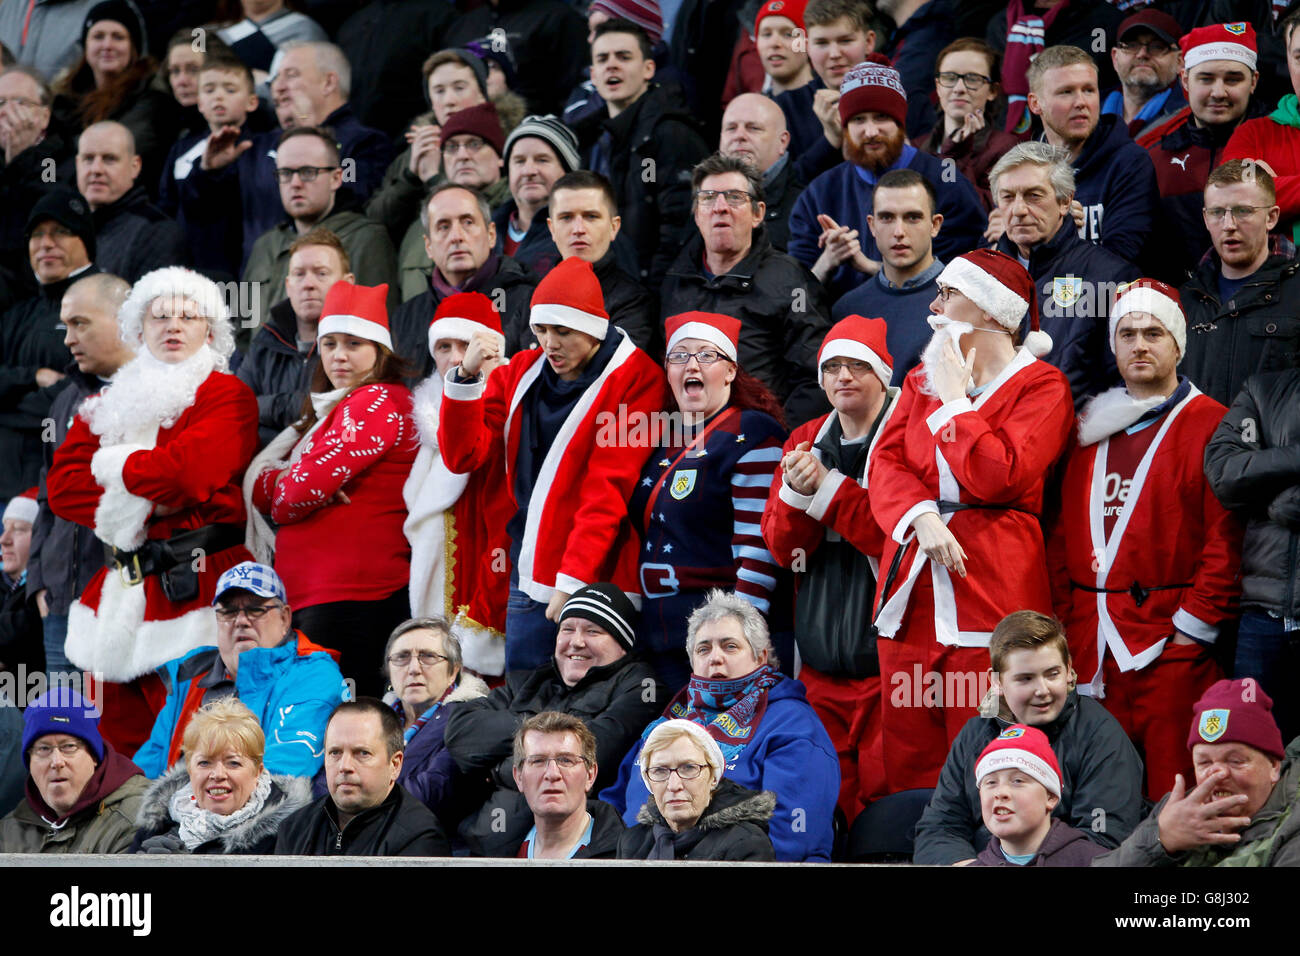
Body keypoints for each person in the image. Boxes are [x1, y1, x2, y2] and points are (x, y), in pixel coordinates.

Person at [868, 249, 1074, 794]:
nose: (934, 305)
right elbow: (885, 463)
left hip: (992, 585)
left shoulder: (1044, 386)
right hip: (913, 585)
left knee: (988, 753)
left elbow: (999, 476)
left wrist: (957, 402)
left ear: (989, 311)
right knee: (909, 752)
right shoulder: (920, 379)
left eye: (948, 294)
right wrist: (921, 518)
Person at [46, 266, 259, 755]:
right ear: (139, 329)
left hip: (198, 582)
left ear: (210, 330)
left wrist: (111, 465)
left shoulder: (228, 395)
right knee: (117, 750)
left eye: (189, 315)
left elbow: (190, 474)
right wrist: (153, 486)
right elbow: (62, 488)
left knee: (198, 743)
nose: (173, 326)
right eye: (159, 315)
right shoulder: (106, 402)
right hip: (119, 590)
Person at [1048, 279, 1243, 800]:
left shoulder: (1211, 422)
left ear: (1178, 344)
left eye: (1153, 333)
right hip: (1093, 649)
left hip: (1169, 645)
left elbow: (1225, 539)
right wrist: (1068, 621)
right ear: (1112, 347)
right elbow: (1061, 536)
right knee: (1099, 798)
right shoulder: (1088, 426)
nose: (1139, 344)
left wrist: (1191, 632)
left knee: (1173, 795)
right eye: (1127, 333)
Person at [437, 258, 662, 669]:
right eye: (541, 330)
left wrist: (571, 585)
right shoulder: (522, 370)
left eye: (563, 331)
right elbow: (462, 456)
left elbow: (607, 489)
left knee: (583, 708)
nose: (549, 343)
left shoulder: (638, 378)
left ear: (593, 329)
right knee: (525, 702)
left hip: (599, 574)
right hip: (527, 562)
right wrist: (466, 378)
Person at [762, 315, 900, 819]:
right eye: (833, 366)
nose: (843, 376)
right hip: (820, 664)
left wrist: (827, 490)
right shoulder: (804, 436)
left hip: (889, 666)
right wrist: (798, 495)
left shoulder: (905, 431)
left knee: (884, 803)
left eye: (857, 366)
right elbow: (781, 547)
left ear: (883, 374)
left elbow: (896, 539)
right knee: (824, 799)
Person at [250, 281, 417, 698]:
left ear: (380, 350)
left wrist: (296, 483)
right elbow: (279, 488)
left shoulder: (375, 400)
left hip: (352, 600)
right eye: (329, 343)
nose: (338, 355)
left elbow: (290, 498)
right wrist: (299, 484)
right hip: (327, 599)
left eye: (353, 344)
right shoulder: (335, 407)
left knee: (344, 726)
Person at [602, 589, 838, 862]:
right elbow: (615, 807)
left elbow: (792, 838)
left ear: (760, 657)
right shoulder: (665, 725)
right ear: (692, 661)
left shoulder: (791, 723)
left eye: (730, 646)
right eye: (703, 648)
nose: (715, 657)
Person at [443, 584, 663, 856]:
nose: (577, 641)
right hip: (482, 845)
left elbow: (597, 754)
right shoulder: (532, 680)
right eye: (568, 629)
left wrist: (497, 768)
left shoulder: (643, 686)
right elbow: (460, 733)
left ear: (621, 644)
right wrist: (535, 743)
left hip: (580, 849)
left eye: (593, 631)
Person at [913, 611, 1144, 866]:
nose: (1042, 690)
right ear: (997, 681)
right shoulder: (974, 735)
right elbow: (939, 828)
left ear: (1068, 670)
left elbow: (1104, 843)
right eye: (1026, 679)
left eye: (1052, 674)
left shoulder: (1101, 736)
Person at [631, 311, 788, 687]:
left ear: (731, 371)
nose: (692, 365)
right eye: (680, 356)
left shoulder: (752, 432)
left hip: (714, 641)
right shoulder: (666, 435)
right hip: (657, 632)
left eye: (706, 355)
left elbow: (758, 546)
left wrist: (744, 638)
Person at [787, 55, 985, 303]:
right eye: (858, 120)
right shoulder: (819, 194)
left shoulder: (946, 182)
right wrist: (827, 261)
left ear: (901, 123)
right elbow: (795, 296)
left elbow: (967, 277)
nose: (870, 132)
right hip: (842, 332)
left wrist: (871, 267)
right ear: (845, 127)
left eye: (881, 117)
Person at [132, 561, 349, 779]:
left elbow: (282, 775)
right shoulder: (189, 675)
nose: (241, 621)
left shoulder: (314, 675)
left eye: (255, 609)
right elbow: (147, 770)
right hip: (181, 804)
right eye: (228, 611)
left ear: (285, 617)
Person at [661, 152, 830, 426]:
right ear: (696, 213)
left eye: (734, 197)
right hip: (685, 442)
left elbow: (816, 376)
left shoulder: (791, 280)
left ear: (758, 213)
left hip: (763, 443)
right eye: (707, 198)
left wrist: (777, 439)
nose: (720, 207)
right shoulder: (672, 282)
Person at [26, 273, 132, 679]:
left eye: (80, 323)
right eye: (65, 325)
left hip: (128, 601)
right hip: (61, 605)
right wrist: (37, 578)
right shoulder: (66, 399)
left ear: (124, 319)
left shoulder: (162, 394)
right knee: (66, 733)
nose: (68, 339)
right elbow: (46, 496)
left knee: (128, 738)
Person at [402, 293, 512, 676]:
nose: (454, 357)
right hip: (449, 566)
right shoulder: (427, 416)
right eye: (444, 347)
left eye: (465, 345)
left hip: (490, 567)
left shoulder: (507, 404)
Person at [989, 141, 1139, 408]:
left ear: (1065, 201)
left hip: (1075, 441)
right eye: (1008, 197)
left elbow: (1125, 385)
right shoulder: (978, 276)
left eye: (1034, 196)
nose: (1020, 210)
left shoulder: (1110, 278)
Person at [1094, 678, 1300, 867]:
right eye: (1204, 762)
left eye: (1236, 761)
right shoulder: (1176, 811)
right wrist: (1161, 839)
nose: (1217, 773)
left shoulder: (1293, 825)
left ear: (1274, 766)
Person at [1205, 368, 1300, 744]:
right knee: (1248, 752)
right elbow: (1223, 473)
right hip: (1264, 618)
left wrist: (1285, 499)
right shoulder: (1264, 388)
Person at [584, 18, 711, 289]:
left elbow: (681, 229)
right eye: (603, 58)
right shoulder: (591, 139)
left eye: (624, 56)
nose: (612, 64)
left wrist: (652, 296)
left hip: (654, 296)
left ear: (648, 69)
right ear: (593, 75)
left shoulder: (671, 135)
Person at [1138, 23, 1266, 283]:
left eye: (1233, 79)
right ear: (1184, 79)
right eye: (1206, 79)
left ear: (1253, 82)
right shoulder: (1152, 156)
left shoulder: (1280, 143)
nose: (1218, 92)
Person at [241, 126, 399, 334]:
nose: (295, 183)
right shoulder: (264, 245)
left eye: (308, 172)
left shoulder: (365, 238)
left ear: (336, 178)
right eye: (286, 173)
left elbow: (378, 330)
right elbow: (242, 327)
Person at [0, 190, 99, 500]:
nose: (46, 244)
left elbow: (81, 397)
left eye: (61, 232)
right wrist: (33, 378)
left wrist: (8, 407)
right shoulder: (18, 313)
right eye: (38, 234)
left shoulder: (106, 309)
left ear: (85, 243)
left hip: (59, 494)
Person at [1020, 45, 1159, 266]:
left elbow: (1122, 261)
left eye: (1088, 90)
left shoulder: (1129, 162)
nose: (1081, 102)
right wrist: (1006, 240)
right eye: (1066, 92)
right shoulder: (1019, 169)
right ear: (1036, 104)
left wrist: (1058, 234)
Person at [1179, 160, 1300, 407]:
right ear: (1205, 218)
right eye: (1216, 212)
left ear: (1271, 217)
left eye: (1243, 211)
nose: (1229, 225)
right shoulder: (1183, 299)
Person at [129, 697, 313, 854]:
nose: (217, 774)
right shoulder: (157, 825)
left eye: (233, 763)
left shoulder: (291, 833)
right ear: (190, 770)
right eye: (204, 763)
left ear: (257, 772)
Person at [274, 698, 451, 856]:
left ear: (395, 765)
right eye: (335, 752)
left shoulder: (421, 837)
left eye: (362, 753)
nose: (344, 766)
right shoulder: (294, 828)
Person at [389, 184, 538, 368]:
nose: (456, 236)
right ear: (428, 246)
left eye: (467, 222)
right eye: (443, 227)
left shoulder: (529, 303)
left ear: (491, 235)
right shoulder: (405, 317)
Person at [238, 229, 354, 446]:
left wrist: (262, 407)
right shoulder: (265, 340)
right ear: (288, 287)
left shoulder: (362, 345)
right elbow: (234, 410)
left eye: (321, 273)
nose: (308, 284)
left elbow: (342, 415)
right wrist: (302, 405)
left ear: (347, 283)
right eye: (299, 274)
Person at [51, 1, 178, 197]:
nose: (107, 45)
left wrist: (63, 164)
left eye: (118, 37)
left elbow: (117, 151)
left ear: (133, 48)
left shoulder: (152, 99)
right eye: (98, 36)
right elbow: (45, 162)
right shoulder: (65, 99)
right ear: (86, 46)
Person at [0, 688, 148, 853]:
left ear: (93, 756)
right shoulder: (9, 831)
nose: (56, 762)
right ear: (30, 762)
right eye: (43, 749)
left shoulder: (138, 819)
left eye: (69, 747)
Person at [830, 169, 943, 384]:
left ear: (935, 225)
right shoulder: (847, 309)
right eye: (887, 218)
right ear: (872, 225)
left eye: (912, 217)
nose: (899, 231)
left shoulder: (964, 302)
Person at [157, 51, 260, 281]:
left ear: (252, 101)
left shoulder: (259, 146)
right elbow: (166, 207)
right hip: (188, 264)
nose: (219, 97)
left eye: (230, 89)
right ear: (200, 103)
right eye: (209, 90)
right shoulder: (181, 149)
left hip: (240, 266)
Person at [616, 718, 776, 860]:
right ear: (649, 782)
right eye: (660, 771)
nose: (674, 785)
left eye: (689, 768)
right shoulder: (631, 841)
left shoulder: (747, 843)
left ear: (713, 777)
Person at [383, 618, 489, 827]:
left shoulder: (472, 720)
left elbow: (425, 796)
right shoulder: (371, 719)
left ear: (453, 671)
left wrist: (358, 795)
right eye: (402, 657)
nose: (414, 668)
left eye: (428, 657)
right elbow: (327, 783)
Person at [547, 170, 656, 353]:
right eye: (566, 217)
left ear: (614, 227)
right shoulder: (531, 294)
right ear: (552, 229)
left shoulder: (634, 302)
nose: (578, 229)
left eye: (591, 216)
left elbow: (617, 373)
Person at [969, 724, 1108, 867]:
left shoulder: (1095, 862)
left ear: (1050, 797)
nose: (1000, 793)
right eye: (991, 782)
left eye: (1017, 781)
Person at [912, 38, 1021, 211]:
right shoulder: (916, 147)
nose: (959, 87)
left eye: (972, 79)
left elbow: (979, 211)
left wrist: (956, 155)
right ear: (938, 87)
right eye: (949, 77)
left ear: (992, 91)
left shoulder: (1006, 148)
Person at [76, 120, 188, 283]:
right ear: (77, 164)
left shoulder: (158, 234)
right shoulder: (65, 228)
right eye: (88, 159)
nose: (96, 169)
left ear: (135, 166)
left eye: (109, 159)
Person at [780, 0, 877, 180]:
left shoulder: (904, 97)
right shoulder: (785, 107)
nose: (834, 54)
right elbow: (783, 187)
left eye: (846, 41)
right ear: (807, 47)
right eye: (822, 43)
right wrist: (830, 140)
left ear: (869, 41)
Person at [1224, 10, 1300, 238]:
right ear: (1288, 60)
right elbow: (1233, 194)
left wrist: (1271, 188)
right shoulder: (1254, 134)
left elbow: (1255, 195)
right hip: (1279, 271)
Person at [511, 711, 626, 858]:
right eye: (538, 761)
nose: (552, 774)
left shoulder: (627, 853)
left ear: (590, 775)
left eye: (566, 760)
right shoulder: (494, 847)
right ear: (519, 777)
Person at [0, 66, 75, 290]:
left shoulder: (53, 159)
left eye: (21, 103)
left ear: (44, 116)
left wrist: (21, 157)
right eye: (0, 103)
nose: (7, 112)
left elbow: (47, 203)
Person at [493, 114, 579, 276]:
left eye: (542, 160)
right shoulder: (486, 231)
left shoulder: (584, 234)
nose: (528, 171)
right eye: (519, 161)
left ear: (567, 171)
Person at [719, 93, 805, 251]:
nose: (739, 136)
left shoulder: (805, 207)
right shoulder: (702, 198)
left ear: (782, 141)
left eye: (753, 128)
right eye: (731, 128)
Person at [1103, 9, 1186, 138]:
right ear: (1115, 58)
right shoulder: (1089, 109)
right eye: (1131, 45)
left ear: (1179, 61)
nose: (1142, 54)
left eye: (1157, 46)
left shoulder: (1193, 119)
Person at [0, 491, 42, 678]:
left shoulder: (44, 591)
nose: (4, 540)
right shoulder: (4, 581)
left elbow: (19, 633)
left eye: (19, 529)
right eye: (5, 528)